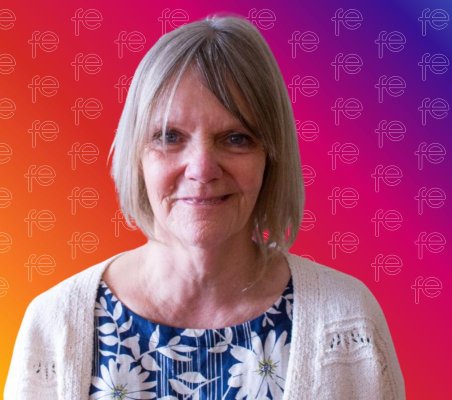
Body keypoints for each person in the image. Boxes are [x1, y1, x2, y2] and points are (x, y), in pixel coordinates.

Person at [4, 15, 405, 399]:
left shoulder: (347, 322)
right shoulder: (54, 325)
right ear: (136, 155)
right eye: (170, 136)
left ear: (271, 157)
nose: (202, 169)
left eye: (235, 138)